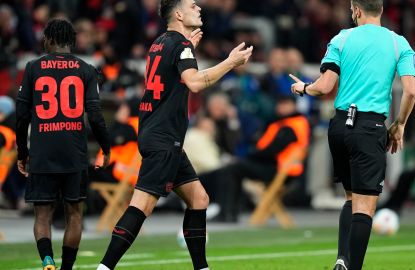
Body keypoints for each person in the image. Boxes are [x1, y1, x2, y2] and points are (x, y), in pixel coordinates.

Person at [96, 0, 253, 269]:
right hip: (163, 137)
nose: (199, 8)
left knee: (199, 198)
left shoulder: (159, 43)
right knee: (141, 205)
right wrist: (230, 62)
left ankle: (201, 267)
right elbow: (194, 82)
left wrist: (190, 49)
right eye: (193, 5)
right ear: (179, 14)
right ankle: (104, 267)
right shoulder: (180, 46)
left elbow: (173, 76)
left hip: (157, 133)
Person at [290, 1, 415, 269]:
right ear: (380, 10)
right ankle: (353, 266)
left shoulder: (342, 37)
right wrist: (400, 124)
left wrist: (303, 88)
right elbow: (410, 91)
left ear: (357, 10)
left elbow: (324, 86)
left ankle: (341, 258)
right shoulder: (399, 44)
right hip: (369, 128)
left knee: (351, 198)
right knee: (365, 205)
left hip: (338, 127)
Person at [16, 19, 111, 270]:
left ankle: (47, 260)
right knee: (75, 214)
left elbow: (22, 115)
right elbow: (96, 115)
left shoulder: (33, 67)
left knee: (42, 215)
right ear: (73, 40)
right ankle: (67, 268)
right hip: (74, 153)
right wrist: (106, 147)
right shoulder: (87, 69)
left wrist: (22, 152)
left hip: (42, 152)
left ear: (48, 39)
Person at [201, 95, 310, 222]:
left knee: (232, 169)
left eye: (286, 104)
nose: (281, 107)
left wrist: (250, 155)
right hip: (279, 168)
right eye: (280, 104)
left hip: (280, 170)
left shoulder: (291, 125)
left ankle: (227, 212)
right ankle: (229, 212)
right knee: (233, 169)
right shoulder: (284, 122)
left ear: (294, 106)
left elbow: (271, 150)